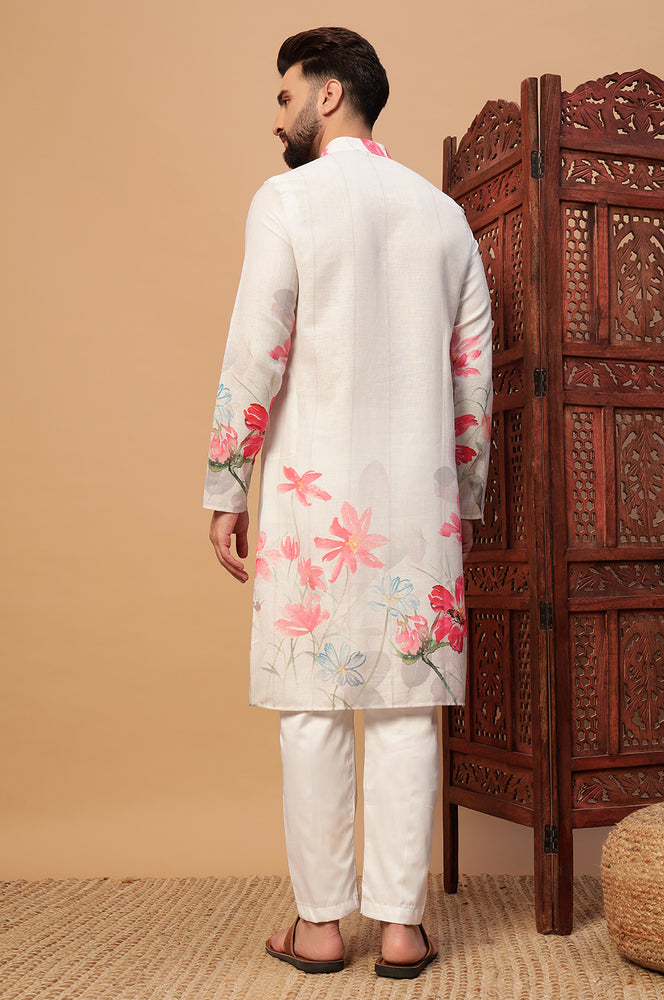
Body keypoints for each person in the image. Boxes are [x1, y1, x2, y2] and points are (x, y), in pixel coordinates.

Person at [204, 27, 492, 979]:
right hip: (418, 503)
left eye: (287, 92)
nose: (277, 112)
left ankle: (322, 926)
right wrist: (469, 499)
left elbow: (257, 350)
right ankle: (402, 928)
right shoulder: (445, 217)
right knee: (409, 705)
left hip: (311, 500)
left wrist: (226, 481)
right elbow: (472, 380)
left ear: (330, 95)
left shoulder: (288, 199)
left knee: (312, 704)